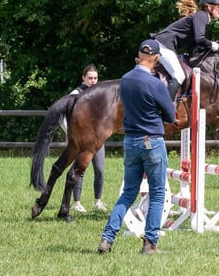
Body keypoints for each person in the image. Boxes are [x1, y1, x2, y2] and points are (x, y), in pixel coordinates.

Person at [97, 40, 176, 255]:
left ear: (138, 56)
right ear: (157, 59)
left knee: (129, 192)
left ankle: (107, 238)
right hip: (152, 141)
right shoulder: (156, 83)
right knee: (158, 192)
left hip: (130, 141)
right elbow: (171, 116)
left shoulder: (126, 79)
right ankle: (150, 243)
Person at [152, 0, 219, 100]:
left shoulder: (201, 17)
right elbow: (199, 38)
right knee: (179, 75)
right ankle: (165, 109)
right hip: (163, 44)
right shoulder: (202, 16)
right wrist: (212, 45)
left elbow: (193, 42)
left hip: (164, 44)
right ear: (209, 7)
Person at [60, 63, 107, 213]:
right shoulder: (76, 93)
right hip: (81, 140)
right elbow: (62, 117)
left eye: (95, 78)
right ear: (83, 78)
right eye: (90, 78)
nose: (93, 81)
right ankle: (76, 202)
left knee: (100, 170)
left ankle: (98, 201)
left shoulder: (100, 93)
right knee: (80, 170)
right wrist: (74, 134)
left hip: (98, 139)